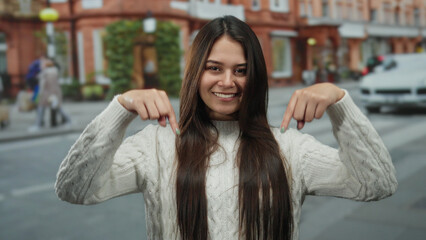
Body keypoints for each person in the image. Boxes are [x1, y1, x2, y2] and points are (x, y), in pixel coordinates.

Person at [55, 16, 397, 240]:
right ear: (195, 74)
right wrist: (119, 110)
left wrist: (340, 103)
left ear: (256, 76)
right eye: (214, 68)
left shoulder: (290, 149)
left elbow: (377, 183)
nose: (227, 82)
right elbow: (75, 189)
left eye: (241, 70)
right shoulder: (157, 147)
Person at [28, 59, 71, 132]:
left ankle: (38, 125)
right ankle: (69, 121)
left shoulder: (45, 73)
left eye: (42, 65)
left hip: (46, 94)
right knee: (58, 108)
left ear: (45, 66)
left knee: (41, 109)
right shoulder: (55, 72)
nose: (41, 66)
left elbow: (42, 85)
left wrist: (39, 95)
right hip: (55, 93)